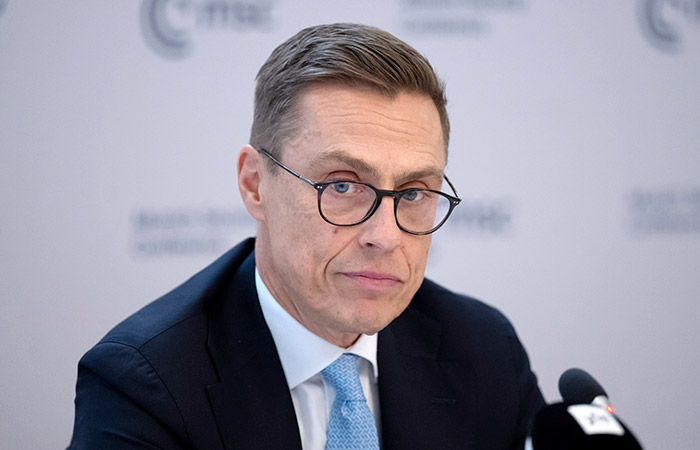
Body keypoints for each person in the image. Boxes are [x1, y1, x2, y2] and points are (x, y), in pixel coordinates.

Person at [68, 23, 544, 449]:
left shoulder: (484, 349)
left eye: (415, 192)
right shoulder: (145, 384)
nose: (386, 236)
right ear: (255, 184)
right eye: (342, 186)